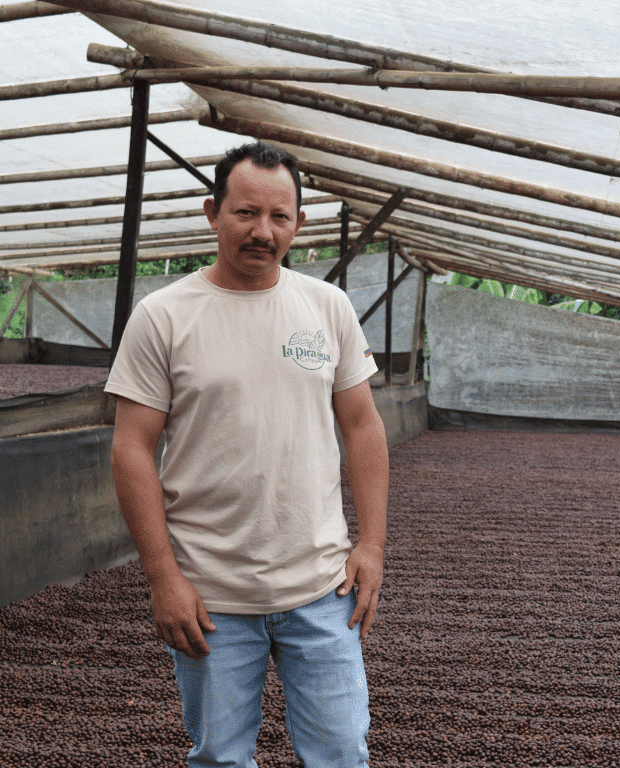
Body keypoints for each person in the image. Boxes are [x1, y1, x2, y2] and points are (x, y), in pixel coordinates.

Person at [105, 141, 389, 768]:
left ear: (298, 224)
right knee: (221, 759)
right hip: (210, 595)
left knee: (341, 752)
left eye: (279, 217)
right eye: (245, 213)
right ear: (213, 212)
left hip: (321, 585)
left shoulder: (327, 307)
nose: (263, 232)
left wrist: (370, 545)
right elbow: (131, 449)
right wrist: (162, 577)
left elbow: (364, 427)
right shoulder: (163, 317)